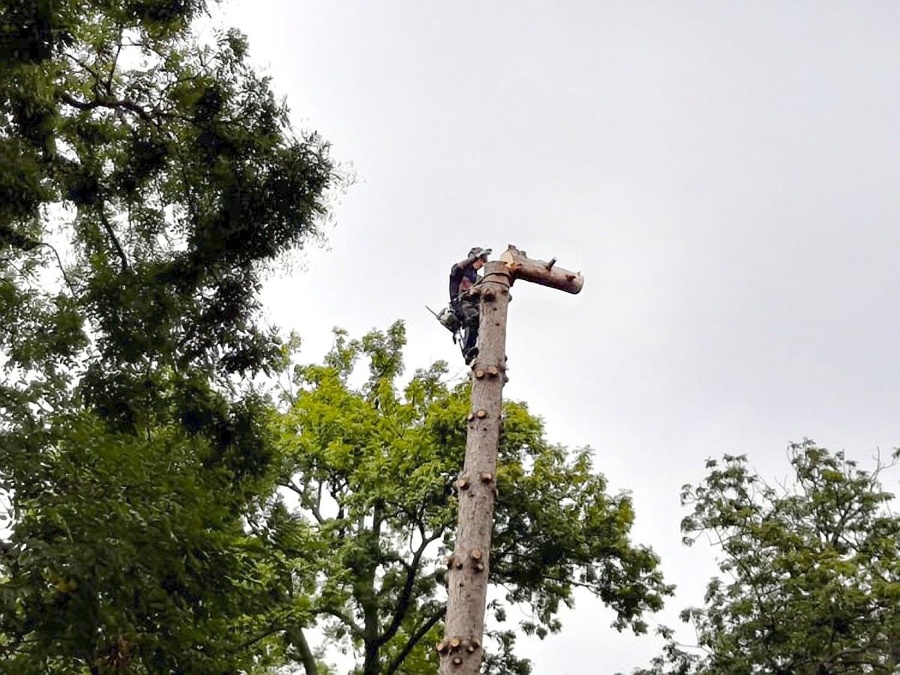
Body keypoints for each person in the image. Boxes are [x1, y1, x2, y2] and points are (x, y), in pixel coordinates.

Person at [449, 246, 491, 364]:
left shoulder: (477, 277)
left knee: (487, 320)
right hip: (461, 303)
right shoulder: (459, 271)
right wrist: (476, 257)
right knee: (473, 318)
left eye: (484, 261)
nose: (482, 264)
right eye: (481, 260)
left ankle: (487, 351)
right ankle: (468, 351)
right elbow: (457, 268)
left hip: (475, 304)